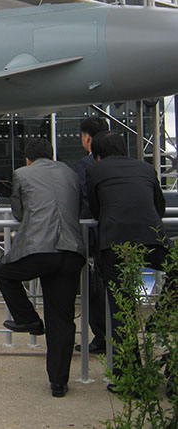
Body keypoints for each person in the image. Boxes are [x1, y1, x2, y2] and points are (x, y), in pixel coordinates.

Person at [0, 138, 85, 398]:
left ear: (27, 159)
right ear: (52, 156)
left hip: (40, 250)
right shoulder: (70, 172)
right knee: (62, 318)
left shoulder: (22, 174)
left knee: (2, 272)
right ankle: (58, 383)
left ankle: (28, 319)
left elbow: (20, 213)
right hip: (71, 250)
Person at [86, 130, 176, 388]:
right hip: (153, 238)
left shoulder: (95, 171)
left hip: (114, 244)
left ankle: (129, 378)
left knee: (121, 311)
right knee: (176, 269)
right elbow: (159, 207)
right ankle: (161, 316)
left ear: (98, 155)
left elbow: (95, 207)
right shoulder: (146, 169)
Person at [74, 116, 110, 355]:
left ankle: (101, 336)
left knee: (93, 291)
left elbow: (85, 202)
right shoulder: (124, 162)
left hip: (95, 237)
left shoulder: (86, 165)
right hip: (117, 235)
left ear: (87, 138)